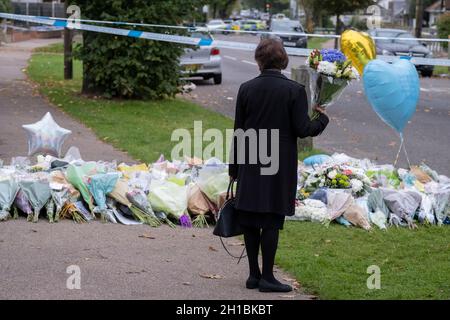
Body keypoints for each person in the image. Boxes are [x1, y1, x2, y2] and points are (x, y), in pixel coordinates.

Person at [229, 38, 329, 293]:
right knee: (272, 218)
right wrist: (322, 119)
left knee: (250, 217)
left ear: (259, 60)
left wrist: (234, 169)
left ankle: (254, 275)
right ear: (283, 60)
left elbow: (238, 131)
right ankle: (268, 277)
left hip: (251, 157)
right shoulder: (294, 90)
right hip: (279, 163)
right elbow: (303, 129)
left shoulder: (246, 88)